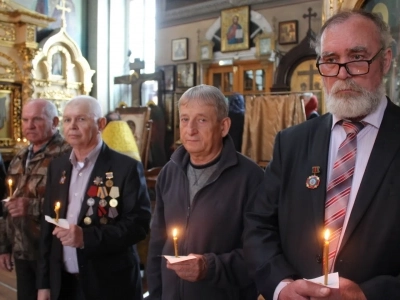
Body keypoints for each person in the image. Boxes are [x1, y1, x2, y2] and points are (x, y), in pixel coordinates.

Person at [244, 10, 400, 300]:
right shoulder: (291, 143)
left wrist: (367, 295)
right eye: (330, 60)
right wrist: (282, 287)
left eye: (356, 57)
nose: (342, 74)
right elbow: (258, 225)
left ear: (386, 61)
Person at [146, 84, 263, 300]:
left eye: (201, 120)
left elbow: (260, 254)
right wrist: (155, 295)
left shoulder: (250, 178)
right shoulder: (168, 173)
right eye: (184, 119)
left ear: (224, 126)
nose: (190, 130)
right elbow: (157, 245)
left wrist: (209, 267)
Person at [37, 96, 151, 300]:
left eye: (81, 119)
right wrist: (45, 284)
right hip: (63, 285)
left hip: (109, 285)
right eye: (67, 120)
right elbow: (48, 227)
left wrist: (85, 238)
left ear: (100, 124)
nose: (72, 126)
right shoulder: (58, 166)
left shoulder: (125, 167)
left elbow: (138, 226)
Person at [0, 99, 70, 300]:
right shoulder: (20, 156)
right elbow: (8, 204)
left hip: (52, 252)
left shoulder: (66, 154)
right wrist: (4, 247)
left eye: (36, 119)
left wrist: (31, 206)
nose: (29, 125)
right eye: (25, 120)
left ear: (54, 122)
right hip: (23, 250)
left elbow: (70, 203)